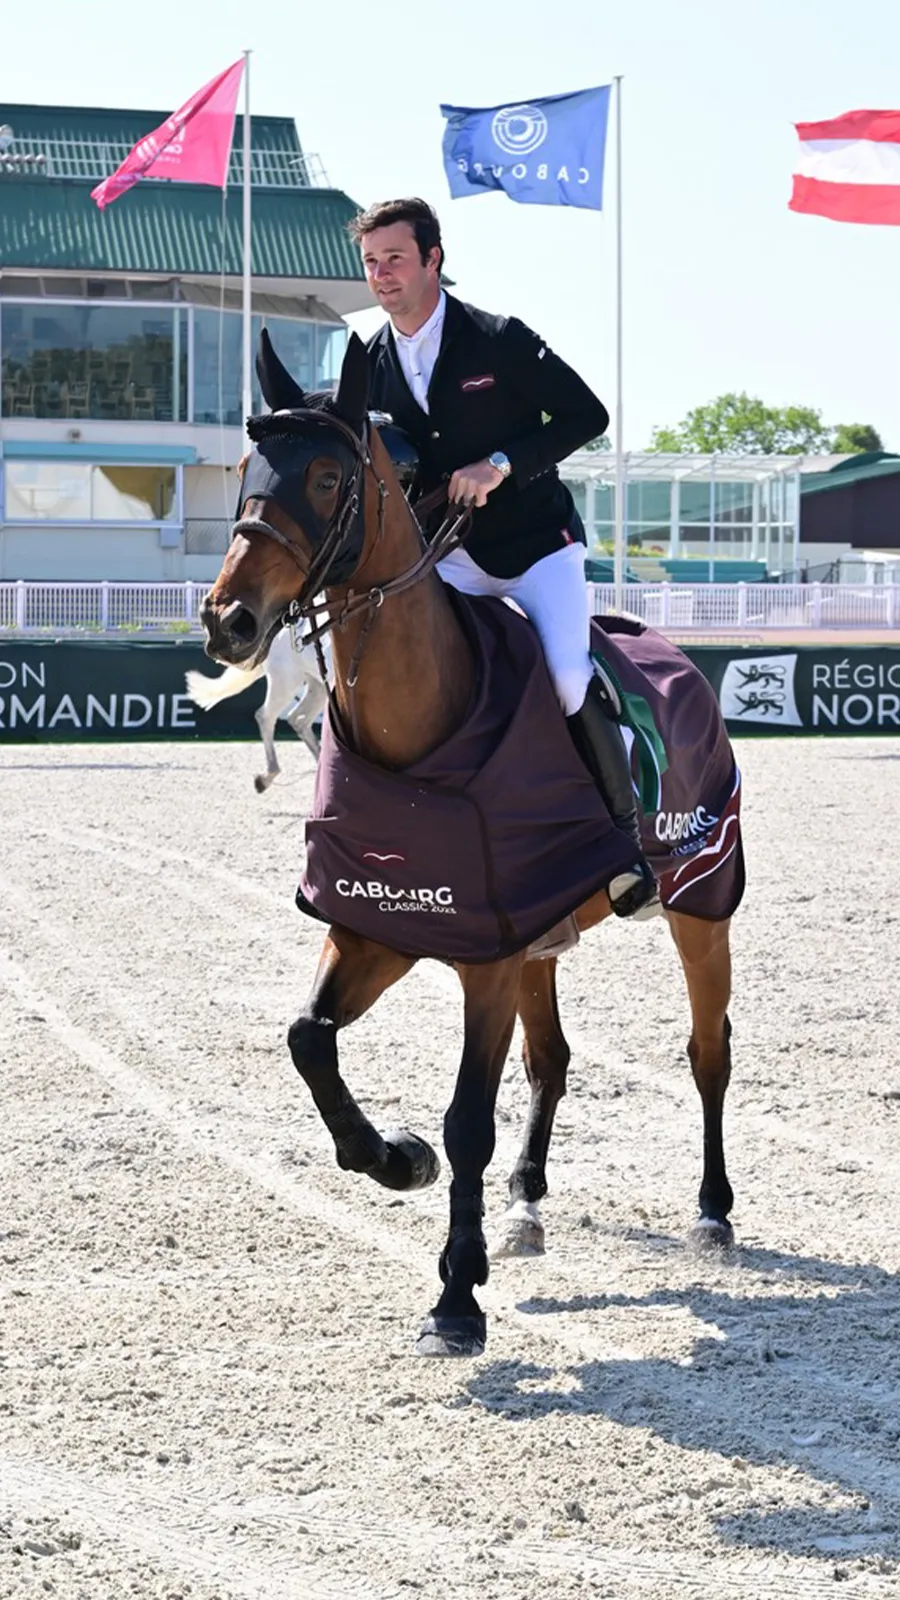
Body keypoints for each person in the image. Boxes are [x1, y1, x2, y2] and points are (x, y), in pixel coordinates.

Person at [348, 196, 658, 920]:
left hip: (534, 548)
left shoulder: (498, 336)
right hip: (447, 556)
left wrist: (500, 463)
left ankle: (622, 849)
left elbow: (588, 416)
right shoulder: (366, 356)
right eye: (370, 262)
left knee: (564, 678)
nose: (382, 275)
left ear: (433, 259)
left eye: (395, 258)